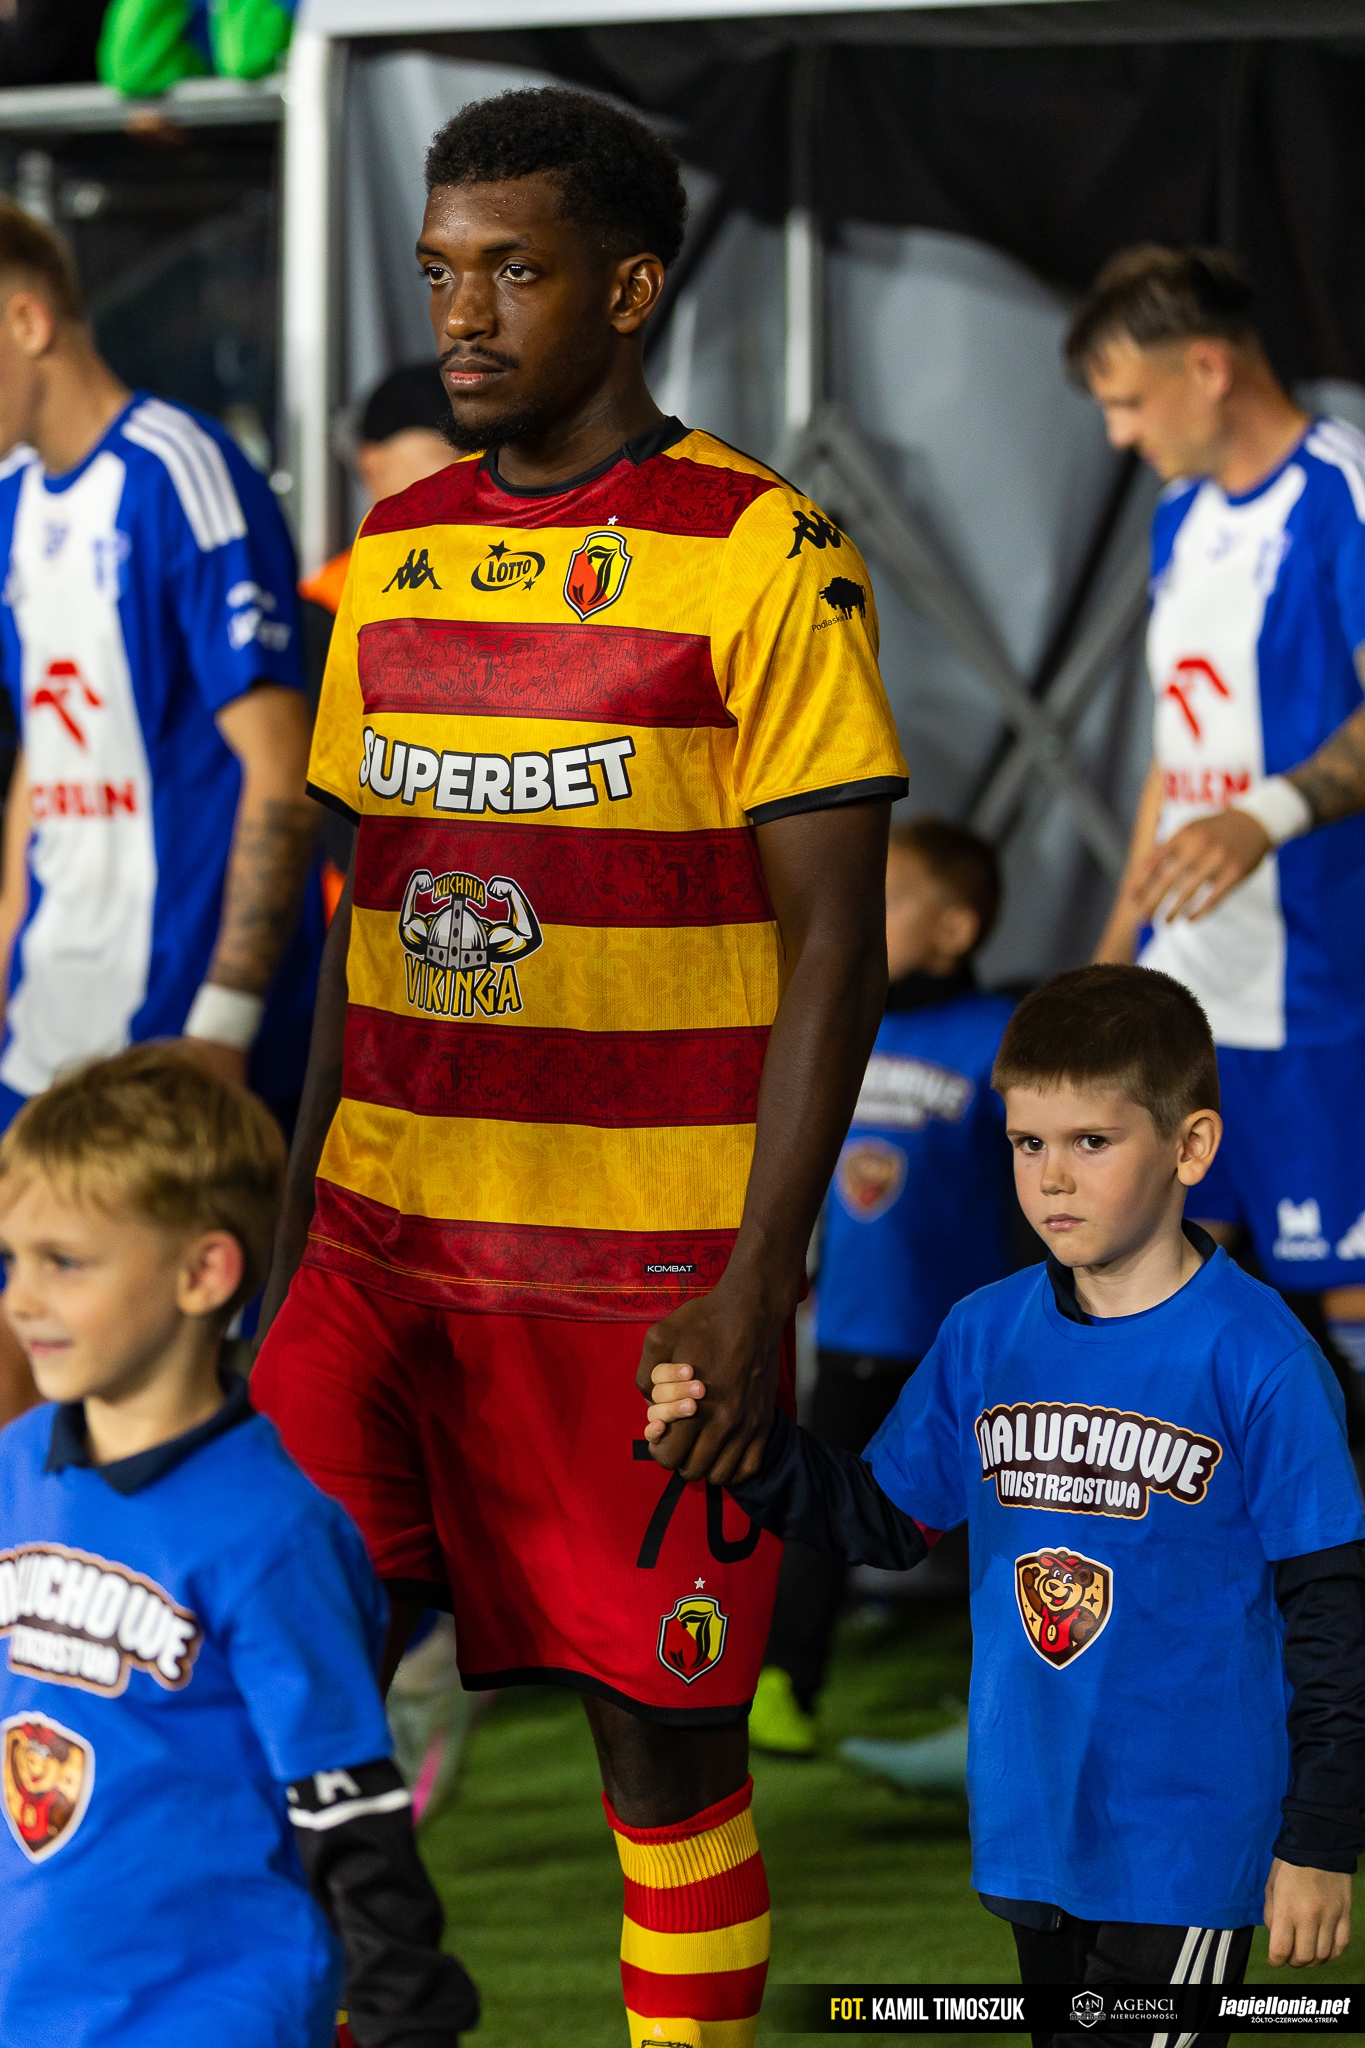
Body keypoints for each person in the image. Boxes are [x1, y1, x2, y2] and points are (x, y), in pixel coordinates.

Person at [251, 85, 907, 2046]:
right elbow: (364, 924)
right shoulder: (394, 551)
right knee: (265, 1701)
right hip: (379, 1258)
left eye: (512, 271)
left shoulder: (768, 554)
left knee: (661, 1755)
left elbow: (840, 945)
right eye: (440, 271)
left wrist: (756, 1282)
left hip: (640, 1276)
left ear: (629, 289)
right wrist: (291, 1242)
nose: (460, 315)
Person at [647, 964, 1365, 2030]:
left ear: (1191, 1147)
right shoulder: (986, 1329)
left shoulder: (1260, 1356)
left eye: (1091, 1141)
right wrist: (735, 1448)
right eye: (1028, 1143)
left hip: (1187, 1834)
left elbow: (1333, 1614)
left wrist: (1319, 1837)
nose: (1052, 1179)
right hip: (1032, 1820)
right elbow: (880, 1516)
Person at [0, 1044, 477, 2046]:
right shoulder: (16, 1464)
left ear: (202, 1272)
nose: (21, 1297)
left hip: (209, 2011)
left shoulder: (275, 1532)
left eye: (64, 1262)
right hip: (32, 1999)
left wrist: (404, 2014)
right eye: (14, 1258)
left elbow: (346, 1805)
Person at [0, 198, 323, 1426]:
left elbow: (281, 768)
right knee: (25, 1375)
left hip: (173, 1031)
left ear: (28, 321)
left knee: (164, 1403)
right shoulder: (12, 504)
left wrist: (223, 1025)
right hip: (44, 1017)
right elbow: (43, 756)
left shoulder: (181, 472)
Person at [1078, 246, 1365, 1389]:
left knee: (1345, 1288)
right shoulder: (1178, 517)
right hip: (1189, 980)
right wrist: (1117, 948)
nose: (1118, 435)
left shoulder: (1341, 490)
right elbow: (1177, 753)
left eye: (1128, 403)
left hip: (1321, 986)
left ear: (1207, 368)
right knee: (1169, 1278)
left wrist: (1268, 816)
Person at [751, 817, 1013, 1759]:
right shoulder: (838, 1026)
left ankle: (1018, 1704)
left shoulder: (1000, 1038)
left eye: (893, 897)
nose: (867, 910)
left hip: (973, 1345)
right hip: (854, 1333)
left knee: (1014, 1522)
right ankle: (783, 1682)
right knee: (819, 1512)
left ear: (955, 929)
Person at [299, 361, 457, 890]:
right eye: (443, 455)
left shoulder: (518, 596)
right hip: (366, 914)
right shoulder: (328, 607)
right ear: (371, 462)